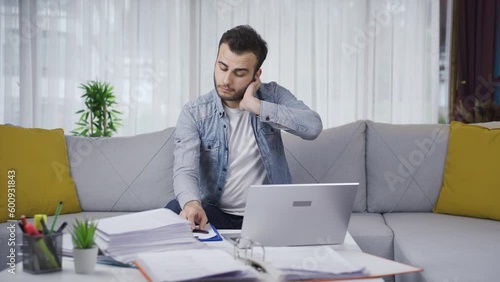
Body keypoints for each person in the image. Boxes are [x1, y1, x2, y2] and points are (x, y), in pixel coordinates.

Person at [166, 25, 322, 230]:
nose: (226, 80)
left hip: (268, 214)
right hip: (215, 212)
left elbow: (312, 127)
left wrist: (256, 106)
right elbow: (185, 170)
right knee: (173, 210)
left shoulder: (272, 96)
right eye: (222, 67)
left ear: (256, 75)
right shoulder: (195, 113)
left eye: (239, 73)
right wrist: (192, 204)